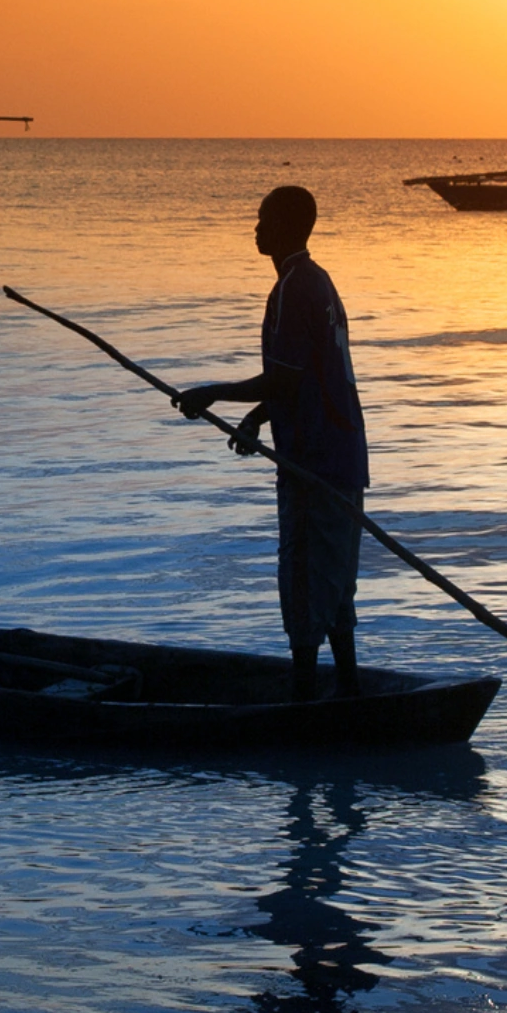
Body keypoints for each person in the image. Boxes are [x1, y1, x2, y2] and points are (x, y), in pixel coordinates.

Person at [173, 185, 370, 702]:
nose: (255, 229)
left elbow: (283, 381)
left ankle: (306, 701)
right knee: (336, 580)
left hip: (315, 463)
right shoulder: (318, 282)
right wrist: (258, 420)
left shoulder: (291, 289)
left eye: (263, 220)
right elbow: (302, 378)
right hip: (343, 457)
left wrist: (212, 394)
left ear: (286, 226)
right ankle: (349, 689)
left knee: (305, 579)